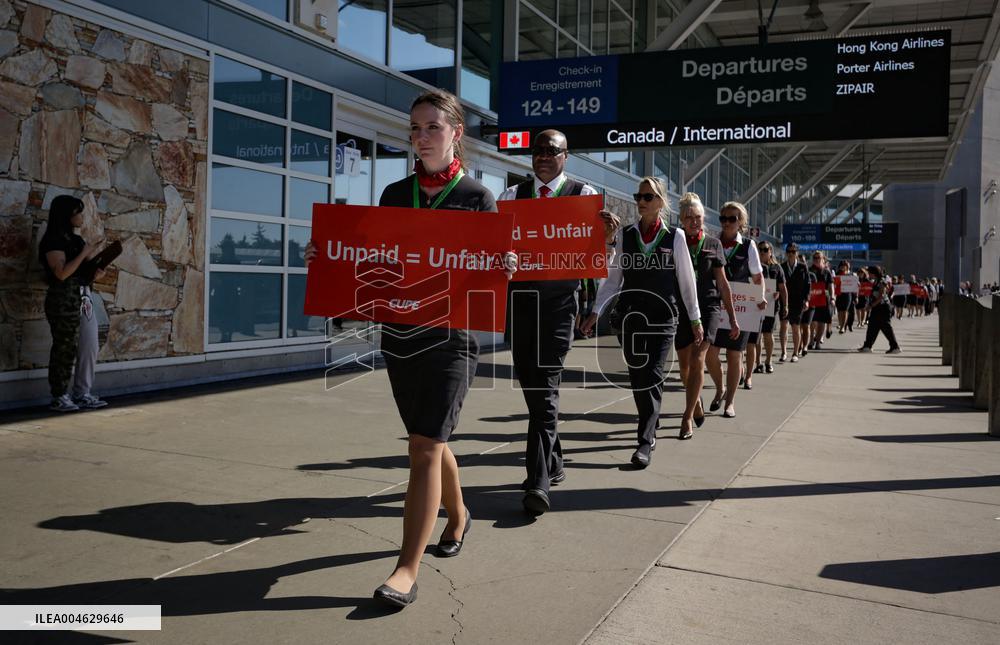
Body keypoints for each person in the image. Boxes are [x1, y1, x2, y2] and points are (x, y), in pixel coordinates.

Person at [305, 89, 514, 608]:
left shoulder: (476, 198)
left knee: (421, 447)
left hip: (452, 339)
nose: (421, 137)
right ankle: (459, 514)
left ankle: (405, 568)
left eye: (431, 128)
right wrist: (328, 257)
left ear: (455, 133)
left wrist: (504, 265)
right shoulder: (395, 195)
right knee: (431, 440)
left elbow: (486, 270)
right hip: (401, 336)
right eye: (415, 129)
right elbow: (376, 261)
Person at [497, 129, 619, 515]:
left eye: (551, 150)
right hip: (520, 305)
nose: (543, 156)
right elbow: (495, 249)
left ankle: (537, 481)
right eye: (538, 150)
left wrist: (609, 240)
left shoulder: (583, 197)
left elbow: (597, 259)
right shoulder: (510, 197)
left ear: (567, 156)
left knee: (547, 388)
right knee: (533, 389)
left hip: (559, 307)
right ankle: (556, 460)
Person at [581, 179, 701, 464]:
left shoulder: (676, 237)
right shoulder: (626, 235)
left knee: (653, 374)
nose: (642, 201)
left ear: (660, 202)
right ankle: (651, 422)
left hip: (663, 317)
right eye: (639, 196)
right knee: (638, 377)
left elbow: (687, 281)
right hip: (631, 316)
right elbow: (613, 280)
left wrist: (695, 319)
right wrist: (596, 311)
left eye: (648, 196)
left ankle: (645, 440)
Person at [670, 193, 736, 440]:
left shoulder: (713, 244)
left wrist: (732, 316)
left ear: (703, 218)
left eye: (698, 217)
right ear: (681, 219)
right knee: (685, 368)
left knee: (699, 358)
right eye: (689, 217)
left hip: (708, 308)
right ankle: (695, 402)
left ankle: (686, 418)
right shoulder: (675, 243)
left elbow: (722, 282)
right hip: (682, 308)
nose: (694, 222)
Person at [39, 195, 108, 412]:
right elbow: (61, 273)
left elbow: (83, 272)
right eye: (77, 212)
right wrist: (85, 254)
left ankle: (82, 393)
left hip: (83, 297)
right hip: (63, 299)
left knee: (90, 345)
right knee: (65, 347)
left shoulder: (77, 241)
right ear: (66, 215)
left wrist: (96, 272)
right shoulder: (53, 241)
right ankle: (59, 395)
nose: (81, 216)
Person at [705, 202, 765, 418]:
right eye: (723, 218)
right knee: (710, 352)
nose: (727, 222)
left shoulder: (749, 245)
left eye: (732, 219)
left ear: (741, 223)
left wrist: (761, 297)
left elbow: (758, 277)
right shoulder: (712, 243)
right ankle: (720, 387)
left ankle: (730, 402)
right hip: (715, 305)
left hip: (741, 308)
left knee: (734, 355)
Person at [754, 241, 787, 374]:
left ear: (770, 252)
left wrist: (785, 305)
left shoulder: (777, 268)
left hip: (771, 306)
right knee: (756, 335)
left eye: (765, 249)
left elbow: (783, 288)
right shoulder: (753, 265)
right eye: (760, 249)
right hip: (755, 306)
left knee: (768, 334)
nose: (762, 252)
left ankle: (768, 361)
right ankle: (758, 362)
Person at [859, 266, 901, 354]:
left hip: (883, 308)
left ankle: (895, 347)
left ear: (873, 273)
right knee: (872, 326)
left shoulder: (882, 281)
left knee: (886, 327)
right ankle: (867, 346)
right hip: (877, 307)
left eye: (869, 273)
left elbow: (881, 296)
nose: (868, 274)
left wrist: (871, 306)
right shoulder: (875, 281)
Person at [781, 244, 811, 363]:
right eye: (788, 251)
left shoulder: (803, 267)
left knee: (795, 327)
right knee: (784, 326)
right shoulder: (782, 266)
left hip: (798, 301)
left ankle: (795, 353)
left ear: (797, 253)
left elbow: (808, 285)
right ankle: (784, 352)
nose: (791, 253)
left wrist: (807, 300)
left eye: (793, 251)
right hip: (784, 300)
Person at [807, 251, 834, 350]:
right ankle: (810, 341)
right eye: (815, 257)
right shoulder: (809, 270)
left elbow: (831, 285)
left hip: (824, 298)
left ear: (823, 259)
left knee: (822, 322)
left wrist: (832, 297)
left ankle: (818, 342)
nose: (817, 259)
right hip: (812, 297)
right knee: (812, 321)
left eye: (819, 257)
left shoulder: (826, 271)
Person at [835, 260, 855, 334]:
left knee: (845, 310)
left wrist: (855, 296)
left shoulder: (851, 274)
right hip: (839, 294)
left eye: (845, 266)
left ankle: (843, 326)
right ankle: (840, 324)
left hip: (847, 294)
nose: (843, 267)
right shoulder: (837, 274)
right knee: (840, 310)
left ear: (847, 267)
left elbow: (854, 284)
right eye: (842, 266)